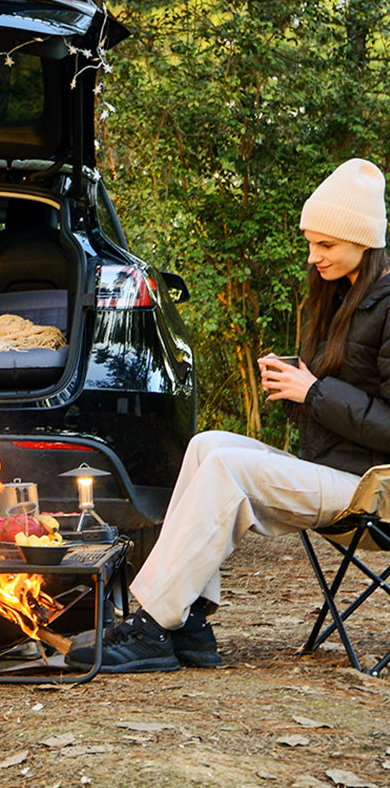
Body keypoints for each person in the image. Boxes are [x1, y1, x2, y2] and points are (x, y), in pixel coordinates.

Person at [68, 158, 390, 674]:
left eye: (325, 245)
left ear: (364, 240)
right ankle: (190, 618)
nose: (313, 257)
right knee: (208, 445)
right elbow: (340, 405)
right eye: (310, 243)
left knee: (227, 468)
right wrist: (298, 391)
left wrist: (314, 392)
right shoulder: (343, 297)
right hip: (339, 470)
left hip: (374, 489)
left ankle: (153, 623)